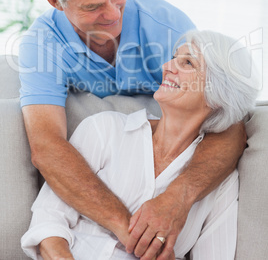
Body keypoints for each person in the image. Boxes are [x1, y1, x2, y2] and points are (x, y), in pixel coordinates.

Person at [19, 0, 247, 259]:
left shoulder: (167, 28)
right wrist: (135, 234)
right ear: (55, 0)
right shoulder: (43, 46)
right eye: (93, 6)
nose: (113, 14)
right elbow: (47, 146)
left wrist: (176, 199)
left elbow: (229, 116)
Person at [21, 29, 258, 260]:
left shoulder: (220, 182)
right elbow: (47, 224)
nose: (167, 67)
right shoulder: (104, 129)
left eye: (188, 63)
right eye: (174, 58)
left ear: (218, 92)